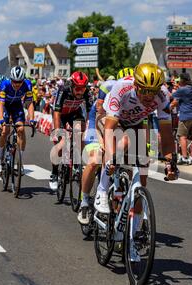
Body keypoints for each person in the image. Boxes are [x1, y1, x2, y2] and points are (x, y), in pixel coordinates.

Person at [93, 63, 178, 216]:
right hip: (110, 118)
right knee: (124, 141)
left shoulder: (163, 94)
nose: (149, 96)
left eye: (153, 91)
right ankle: (102, 190)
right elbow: (109, 129)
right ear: (136, 85)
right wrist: (111, 159)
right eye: (145, 90)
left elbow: (166, 133)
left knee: (143, 172)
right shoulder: (122, 87)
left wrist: (170, 162)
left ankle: (136, 224)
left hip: (135, 122)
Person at [77, 68, 134, 225]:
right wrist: (102, 143)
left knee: (127, 166)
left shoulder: (136, 100)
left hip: (118, 127)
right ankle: (84, 201)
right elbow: (100, 120)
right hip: (97, 124)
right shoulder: (110, 92)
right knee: (95, 159)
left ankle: (119, 216)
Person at [49, 71, 93, 191]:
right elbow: (57, 112)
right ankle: (54, 173)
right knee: (61, 144)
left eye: (82, 89)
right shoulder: (63, 90)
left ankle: (77, 162)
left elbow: (90, 113)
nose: (80, 92)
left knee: (80, 131)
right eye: (77, 89)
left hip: (74, 112)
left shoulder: (87, 93)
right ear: (72, 86)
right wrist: (58, 133)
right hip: (61, 114)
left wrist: (89, 130)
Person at [0, 66, 34, 173]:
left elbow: (30, 103)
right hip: (6, 107)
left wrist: (32, 119)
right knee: (4, 131)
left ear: (23, 80)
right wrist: (0, 120)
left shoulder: (28, 84)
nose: (17, 84)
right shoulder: (5, 84)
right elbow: (1, 103)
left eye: (19, 82)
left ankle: (20, 160)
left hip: (17, 106)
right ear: (11, 79)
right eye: (15, 81)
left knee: (21, 129)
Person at [172, 73, 192, 165]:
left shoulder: (182, 90)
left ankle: (184, 157)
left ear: (182, 81)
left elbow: (172, 97)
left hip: (186, 116)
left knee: (182, 137)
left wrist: (176, 87)